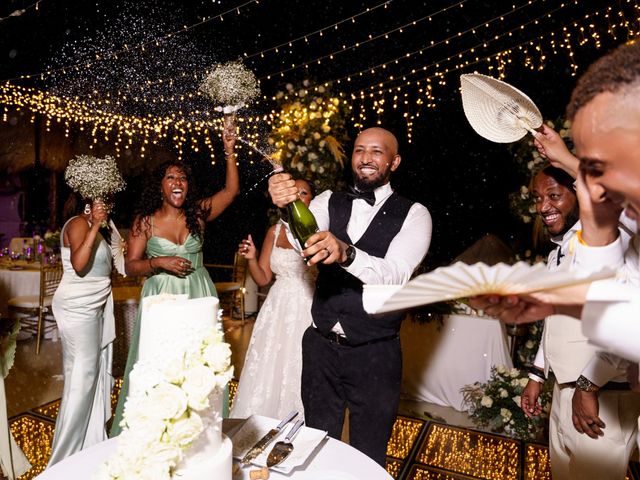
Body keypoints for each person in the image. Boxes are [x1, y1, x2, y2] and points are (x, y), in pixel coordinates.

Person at [268, 127, 432, 466]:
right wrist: (287, 208)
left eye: (377, 151)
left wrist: (347, 253)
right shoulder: (327, 200)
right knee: (314, 445)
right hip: (320, 348)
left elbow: (395, 273)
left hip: (375, 353)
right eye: (360, 150)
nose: (366, 158)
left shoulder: (415, 214)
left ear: (394, 161)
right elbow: (304, 240)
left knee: (368, 454)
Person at [110, 117, 239, 436]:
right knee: (161, 362)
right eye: (171, 177)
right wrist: (159, 262)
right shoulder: (145, 221)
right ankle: (157, 431)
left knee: (199, 364)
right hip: (162, 297)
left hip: (198, 292)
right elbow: (130, 266)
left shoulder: (198, 214)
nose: (178, 182)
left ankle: (199, 431)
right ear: (161, 185)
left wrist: (229, 149)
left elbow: (232, 190)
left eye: (182, 177)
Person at [520, 166, 640, 480]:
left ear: (580, 195)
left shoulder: (613, 242)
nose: (542, 207)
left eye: (554, 196)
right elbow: (555, 319)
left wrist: (588, 387)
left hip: (602, 397)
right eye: (538, 198)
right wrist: (537, 374)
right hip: (563, 392)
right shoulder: (556, 255)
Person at [231, 178, 316, 420]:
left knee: (298, 367)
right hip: (276, 308)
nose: (298, 197)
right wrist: (252, 258)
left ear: (312, 199)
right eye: (293, 192)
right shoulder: (274, 231)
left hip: (306, 307)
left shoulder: (318, 231)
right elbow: (263, 278)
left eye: (304, 193)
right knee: (269, 366)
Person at [48, 196, 117, 466]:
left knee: (91, 378)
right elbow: (78, 264)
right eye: (103, 199)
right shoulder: (78, 223)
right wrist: (94, 225)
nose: (107, 205)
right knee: (81, 379)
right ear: (88, 203)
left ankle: (87, 448)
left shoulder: (96, 226)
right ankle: (62, 460)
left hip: (94, 308)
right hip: (78, 309)